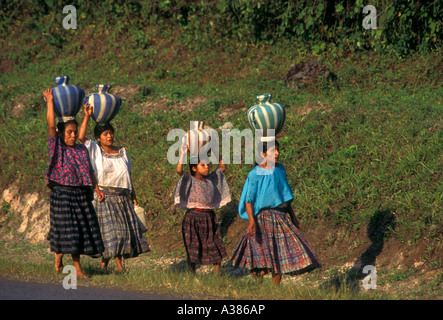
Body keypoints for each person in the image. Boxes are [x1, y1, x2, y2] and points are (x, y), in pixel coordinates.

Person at [231, 140, 320, 285]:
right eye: (274, 151)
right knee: (262, 256)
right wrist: (252, 221)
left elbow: (285, 195)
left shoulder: (280, 169)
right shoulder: (254, 174)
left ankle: (274, 291)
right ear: (263, 154)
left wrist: (293, 217)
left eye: (278, 150)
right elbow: (249, 201)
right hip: (262, 219)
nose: (277, 153)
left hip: (280, 218)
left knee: (279, 256)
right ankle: (258, 277)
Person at [78, 102, 149, 273]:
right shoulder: (95, 149)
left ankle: (103, 266)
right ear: (98, 138)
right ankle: (119, 267)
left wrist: (134, 197)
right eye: (105, 134)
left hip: (122, 198)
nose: (109, 136)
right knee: (114, 234)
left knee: (119, 235)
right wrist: (87, 116)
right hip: (104, 197)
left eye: (111, 133)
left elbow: (128, 176)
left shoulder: (122, 152)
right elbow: (81, 138)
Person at [43, 88, 104, 279]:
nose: (72, 135)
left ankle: (68, 264)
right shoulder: (57, 146)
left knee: (75, 230)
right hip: (61, 193)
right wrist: (50, 101)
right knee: (66, 229)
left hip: (79, 194)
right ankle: (69, 264)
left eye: (74, 132)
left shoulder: (80, 150)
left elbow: (89, 171)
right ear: (61, 134)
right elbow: (52, 126)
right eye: (69, 132)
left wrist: (96, 188)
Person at [174, 142, 231, 275]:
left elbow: (222, 167)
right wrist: (183, 153)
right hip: (193, 218)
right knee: (193, 247)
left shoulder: (211, 179)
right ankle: (192, 274)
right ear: (194, 168)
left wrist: (215, 150)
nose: (207, 168)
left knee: (215, 245)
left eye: (208, 165)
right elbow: (179, 171)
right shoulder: (190, 179)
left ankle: (217, 275)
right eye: (203, 165)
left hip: (209, 217)